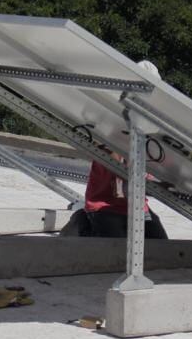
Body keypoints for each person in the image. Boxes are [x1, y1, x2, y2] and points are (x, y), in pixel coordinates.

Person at [60, 60, 168, 240]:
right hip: (105, 205)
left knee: (163, 247)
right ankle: (81, 217)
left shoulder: (150, 130)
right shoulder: (108, 122)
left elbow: (149, 169)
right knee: (114, 250)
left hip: (138, 207)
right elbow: (115, 163)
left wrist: (160, 181)